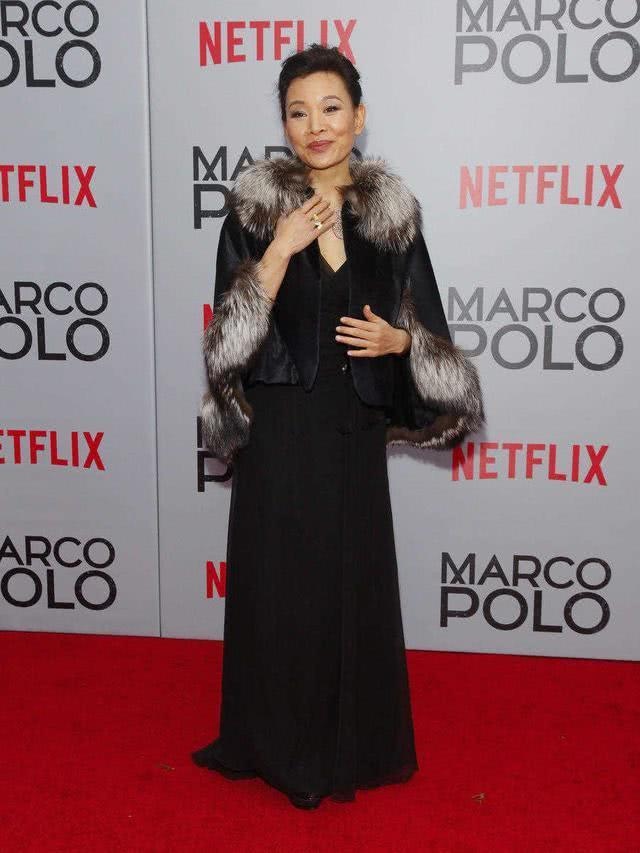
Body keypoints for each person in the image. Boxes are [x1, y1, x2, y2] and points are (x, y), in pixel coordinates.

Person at [192, 44, 485, 810]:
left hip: (352, 425)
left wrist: (400, 343)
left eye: (330, 108)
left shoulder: (391, 216)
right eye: (298, 112)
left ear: (359, 116)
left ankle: (355, 745)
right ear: (284, 125)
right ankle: (276, 746)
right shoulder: (256, 209)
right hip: (280, 425)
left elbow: (430, 334)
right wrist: (280, 250)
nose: (316, 125)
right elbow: (225, 343)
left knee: (351, 584)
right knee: (280, 587)